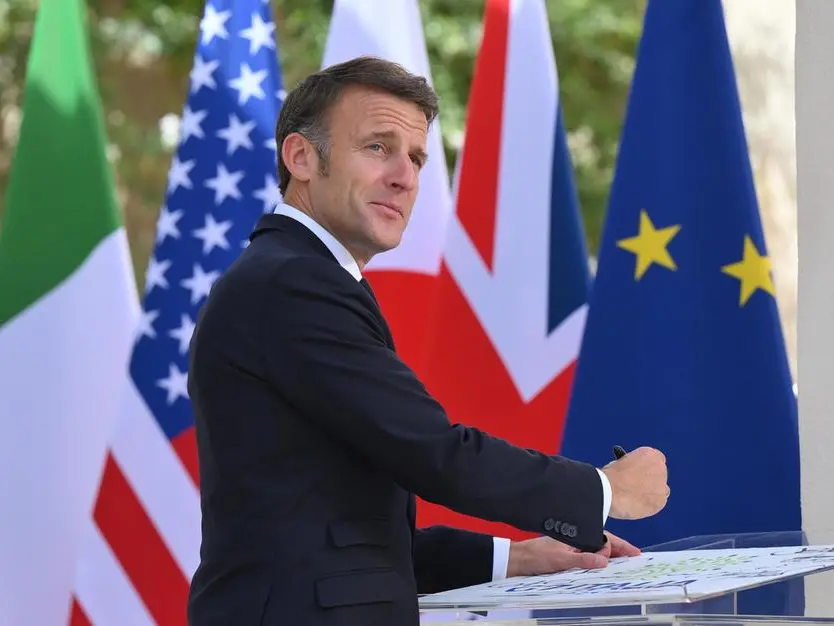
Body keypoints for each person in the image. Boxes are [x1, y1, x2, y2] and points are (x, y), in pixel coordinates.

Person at [186, 56, 669, 626]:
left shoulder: (293, 274)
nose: (406, 177)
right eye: (378, 147)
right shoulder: (293, 281)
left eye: (415, 157)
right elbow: (434, 453)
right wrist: (604, 492)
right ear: (301, 158)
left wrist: (514, 557)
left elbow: (336, 536)